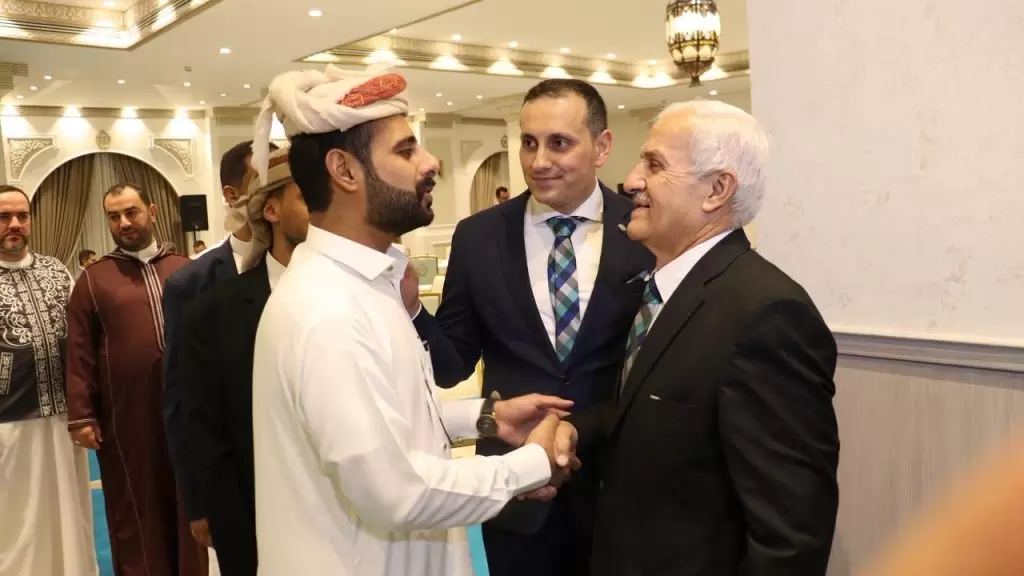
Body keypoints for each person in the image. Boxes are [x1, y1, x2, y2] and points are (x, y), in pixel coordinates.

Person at [248, 65, 578, 576]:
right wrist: (532, 464)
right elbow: (396, 492)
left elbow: (386, 419)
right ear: (344, 170)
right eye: (405, 151)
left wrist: (486, 418)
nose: (430, 162)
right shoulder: (326, 310)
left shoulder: (370, 284)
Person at [566, 100, 840, 575]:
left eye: (654, 165)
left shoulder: (767, 314)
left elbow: (790, 537)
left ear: (717, 190)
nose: (630, 181)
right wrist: (573, 429)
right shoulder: (663, 291)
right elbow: (656, 416)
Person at [403, 78, 653, 576]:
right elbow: (452, 366)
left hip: (618, 485)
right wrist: (413, 310)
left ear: (602, 147)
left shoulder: (644, 230)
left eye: (559, 143)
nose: (539, 161)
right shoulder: (478, 236)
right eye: (529, 143)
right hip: (518, 492)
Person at [66, 183, 208, 576]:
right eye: (114, 217)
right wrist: (82, 415)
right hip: (126, 417)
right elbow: (78, 350)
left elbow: (210, 338)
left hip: (187, 412)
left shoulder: (185, 269)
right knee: (135, 507)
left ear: (152, 211)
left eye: (131, 212)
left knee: (189, 504)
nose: (124, 223)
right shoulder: (94, 279)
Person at [180, 149, 309, 576]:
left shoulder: (361, 299)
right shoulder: (214, 313)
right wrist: (211, 511)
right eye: (307, 197)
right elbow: (201, 425)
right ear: (271, 210)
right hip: (253, 520)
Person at [162, 140, 277, 547]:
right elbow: (182, 402)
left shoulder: (309, 269)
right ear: (232, 195)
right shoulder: (193, 283)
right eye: (263, 180)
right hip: (234, 480)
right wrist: (198, 501)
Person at [0, 185, 97, 576]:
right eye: (4, 217)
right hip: (8, 426)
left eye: (22, 216)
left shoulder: (56, 271)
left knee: (68, 517)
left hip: (62, 422)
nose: (15, 224)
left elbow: (83, 339)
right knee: (15, 525)